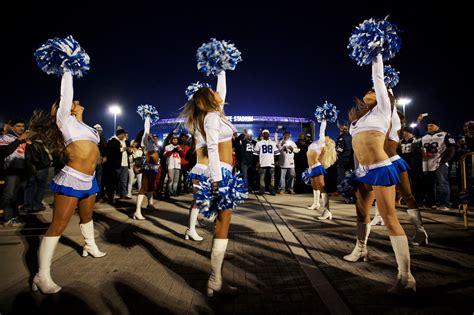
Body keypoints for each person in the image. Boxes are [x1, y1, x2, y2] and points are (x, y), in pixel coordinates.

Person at [343, 54, 416, 294]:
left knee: (390, 218)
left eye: (374, 90)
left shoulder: (384, 110)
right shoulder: (357, 120)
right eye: (369, 91)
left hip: (380, 169)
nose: (370, 92)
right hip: (362, 172)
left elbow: (377, 76)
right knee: (361, 214)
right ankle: (361, 248)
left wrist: (376, 53)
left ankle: (406, 277)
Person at [29, 71, 106, 294]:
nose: (78, 102)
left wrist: (80, 116)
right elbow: (66, 94)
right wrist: (68, 70)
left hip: (89, 179)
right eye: (75, 101)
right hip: (72, 177)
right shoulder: (64, 120)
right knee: (59, 225)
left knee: (88, 216)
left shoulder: (82, 125)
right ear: (65, 107)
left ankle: (89, 246)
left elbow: (90, 140)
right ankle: (41, 275)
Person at [180, 70, 246, 297]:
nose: (219, 94)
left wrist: (222, 69)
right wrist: (218, 180)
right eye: (213, 93)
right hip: (221, 174)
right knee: (223, 223)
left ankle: (216, 279)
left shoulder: (213, 115)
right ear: (209, 100)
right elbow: (212, 149)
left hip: (223, 173)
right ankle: (215, 280)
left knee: (223, 223)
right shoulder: (211, 118)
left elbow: (223, 91)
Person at [305, 120, 337, 220]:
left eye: (328, 137)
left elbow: (322, 130)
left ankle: (327, 211)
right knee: (314, 187)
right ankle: (316, 203)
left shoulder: (321, 143)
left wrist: (324, 119)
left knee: (321, 188)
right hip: (311, 168)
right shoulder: (316, 143)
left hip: (317, 168)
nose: (327, 137)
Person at [420, 119, 456, 210]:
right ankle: (432, 202)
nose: (429, 127)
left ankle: (444, 203)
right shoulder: (423, 137)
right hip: (427, 163)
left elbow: (451, 148)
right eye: (428, 126)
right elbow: (419, 149)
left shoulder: (445, 134)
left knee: (442, 183)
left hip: (440, 162)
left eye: (432, 125)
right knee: (430, 184)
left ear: (438, 126)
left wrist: (444, 160)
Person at [0, 119, 28, 226]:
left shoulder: (22, 139)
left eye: (23, 126)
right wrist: (19, 140)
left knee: (17, 196)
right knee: (9, 194)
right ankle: (6, 217)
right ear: (12, 127)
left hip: (22, 170)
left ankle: (14, 216)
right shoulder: (5, 138)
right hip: (10, 170)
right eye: (18, 126)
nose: (21, 128)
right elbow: (5, 152)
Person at [133, 113, 160, 220]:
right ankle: (137, 211)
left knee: (151, 187)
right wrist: (148, 118)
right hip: (148, 167)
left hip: (154, 167)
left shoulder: (152, 144)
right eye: (149, 134)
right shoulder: (145, 143)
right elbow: (146, 130)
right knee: (143, 188)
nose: (151, 134)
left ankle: (150, 204)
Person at [104, 129, 129, 203]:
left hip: (123, 164)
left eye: (124, 135)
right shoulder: (113, 141)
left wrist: (128, 150)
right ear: (119, 134)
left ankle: (122, 195)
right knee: (113, 182)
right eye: (123, 135)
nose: (123, 136)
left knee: (123, 181)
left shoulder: (124, 142)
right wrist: (121, 149)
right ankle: (111, 197)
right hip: (115, 165)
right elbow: (111, 151)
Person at [254, 129, 280, 195]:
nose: (266, 134)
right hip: (262, 162)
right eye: (264, 133)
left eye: (267, 133)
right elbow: (255, 154)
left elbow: (277, 153)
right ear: (262, 134)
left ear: (268, 134)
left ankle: (272, 190)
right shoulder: (259, 143)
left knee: (272, 178)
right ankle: (262, 190)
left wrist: (276, 161)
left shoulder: (273, 143)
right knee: (262, 177)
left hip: (271, 162)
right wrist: (257, 162)